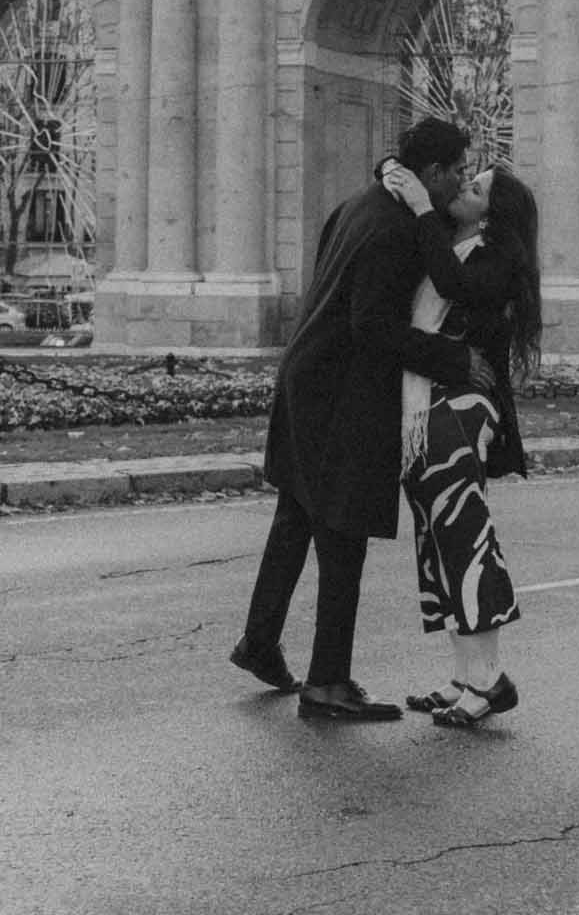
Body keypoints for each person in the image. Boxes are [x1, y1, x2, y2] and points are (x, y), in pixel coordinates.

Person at [234, 118, 482, 721]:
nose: (463, 180)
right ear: (433, 173)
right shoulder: (396, 231)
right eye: (459, 171)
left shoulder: (358, 206)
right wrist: (456, 360)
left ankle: (260, 644)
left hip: (307, 378)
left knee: (296, 516)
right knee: (340, 536)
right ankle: (328, 685)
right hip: (341, 396)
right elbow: (373, 328)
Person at [380, 158, 536, 730]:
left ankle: (491, 680)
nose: (463, 188)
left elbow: (452, 285)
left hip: (462, 410)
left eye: (476, 189)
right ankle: (464, 677)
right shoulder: (450, 243)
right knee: (437, 542)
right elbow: (389, 165)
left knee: (466, 541)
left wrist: (423, 205)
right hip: (427, 406)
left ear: (492, 217)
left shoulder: (497, 261)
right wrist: (397, 175)